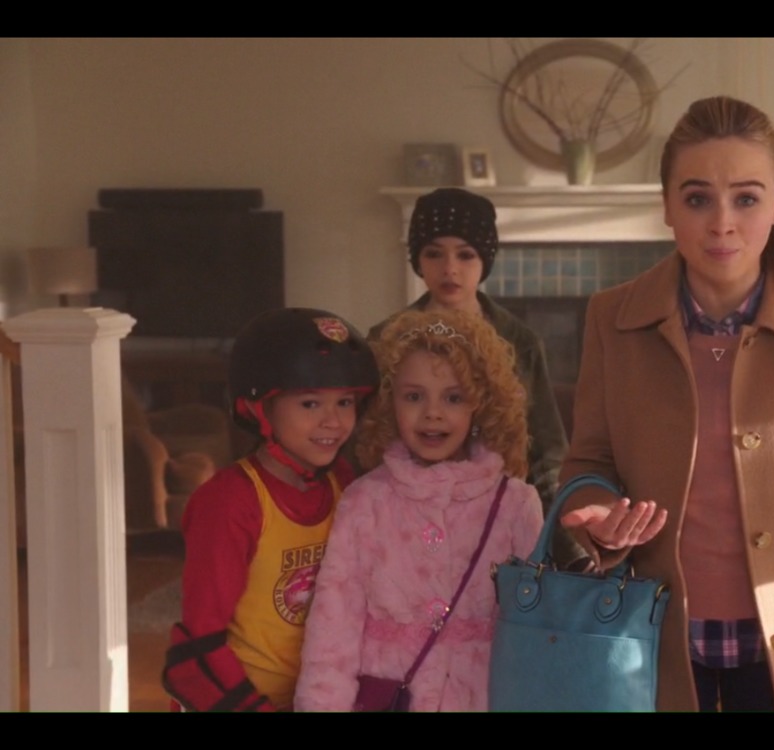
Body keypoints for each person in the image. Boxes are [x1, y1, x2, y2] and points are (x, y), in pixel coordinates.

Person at [557, 96, 774, 712]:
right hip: (649, 639)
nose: (722, 223)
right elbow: (588, 462)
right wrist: (597, 512)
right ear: (667, 206)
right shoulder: (612, 318)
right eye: (697, 199)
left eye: (746, 198)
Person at [294, 309, 543, 712]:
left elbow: (536, 633)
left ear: (480, 404)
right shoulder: (364, 501)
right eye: (414, 396)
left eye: (453, 397)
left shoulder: (515, 504)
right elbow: (332, 629)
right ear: (388, 402)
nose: (432, 413)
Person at [162, 308, 380, 711]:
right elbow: (198, 649)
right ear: (258, 408)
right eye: (310, 404)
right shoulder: (230, 502)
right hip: (231, 700)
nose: (333, 421)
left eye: (345, 402)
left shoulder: (342, 481)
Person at [369, 187, 579, 563]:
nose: (450, 269)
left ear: (485, 260)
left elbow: (547, 454)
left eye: (465, 255)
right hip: (408, 522)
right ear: (418, 259)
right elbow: (371, 443)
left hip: (497, 522)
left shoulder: (520, 342)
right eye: (434, 253)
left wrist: (571, 548)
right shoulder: (386, 339)